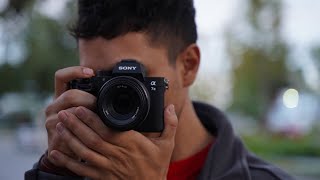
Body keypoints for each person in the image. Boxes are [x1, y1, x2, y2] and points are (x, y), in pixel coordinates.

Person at [25, 0, 295, 179]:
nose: (114, 95)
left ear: (188, 66)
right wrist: (54, 169)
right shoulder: (74, 169)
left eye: (134, 77)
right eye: (100, 79)